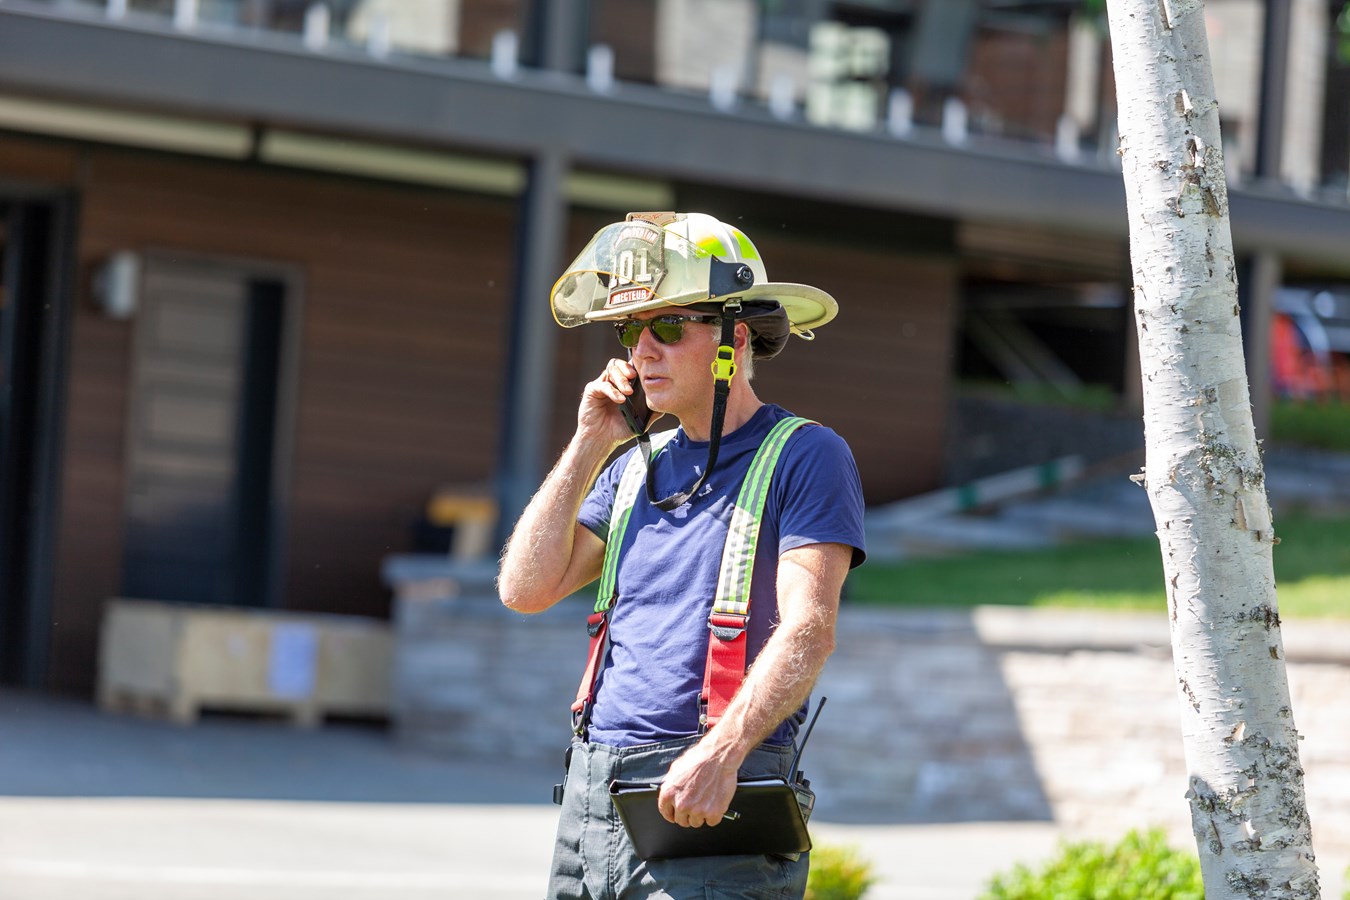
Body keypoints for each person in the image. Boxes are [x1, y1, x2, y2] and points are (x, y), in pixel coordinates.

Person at [497, 211, 866, 899]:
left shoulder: (807, 454)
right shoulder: (632, 464)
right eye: (630, 331)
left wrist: (722, 753)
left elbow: (809, 630)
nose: (642, 351)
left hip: (712, 791)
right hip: (593, 788)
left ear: (735, 337)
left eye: (668, 327)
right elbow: (523, 589)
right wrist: (589, 442)